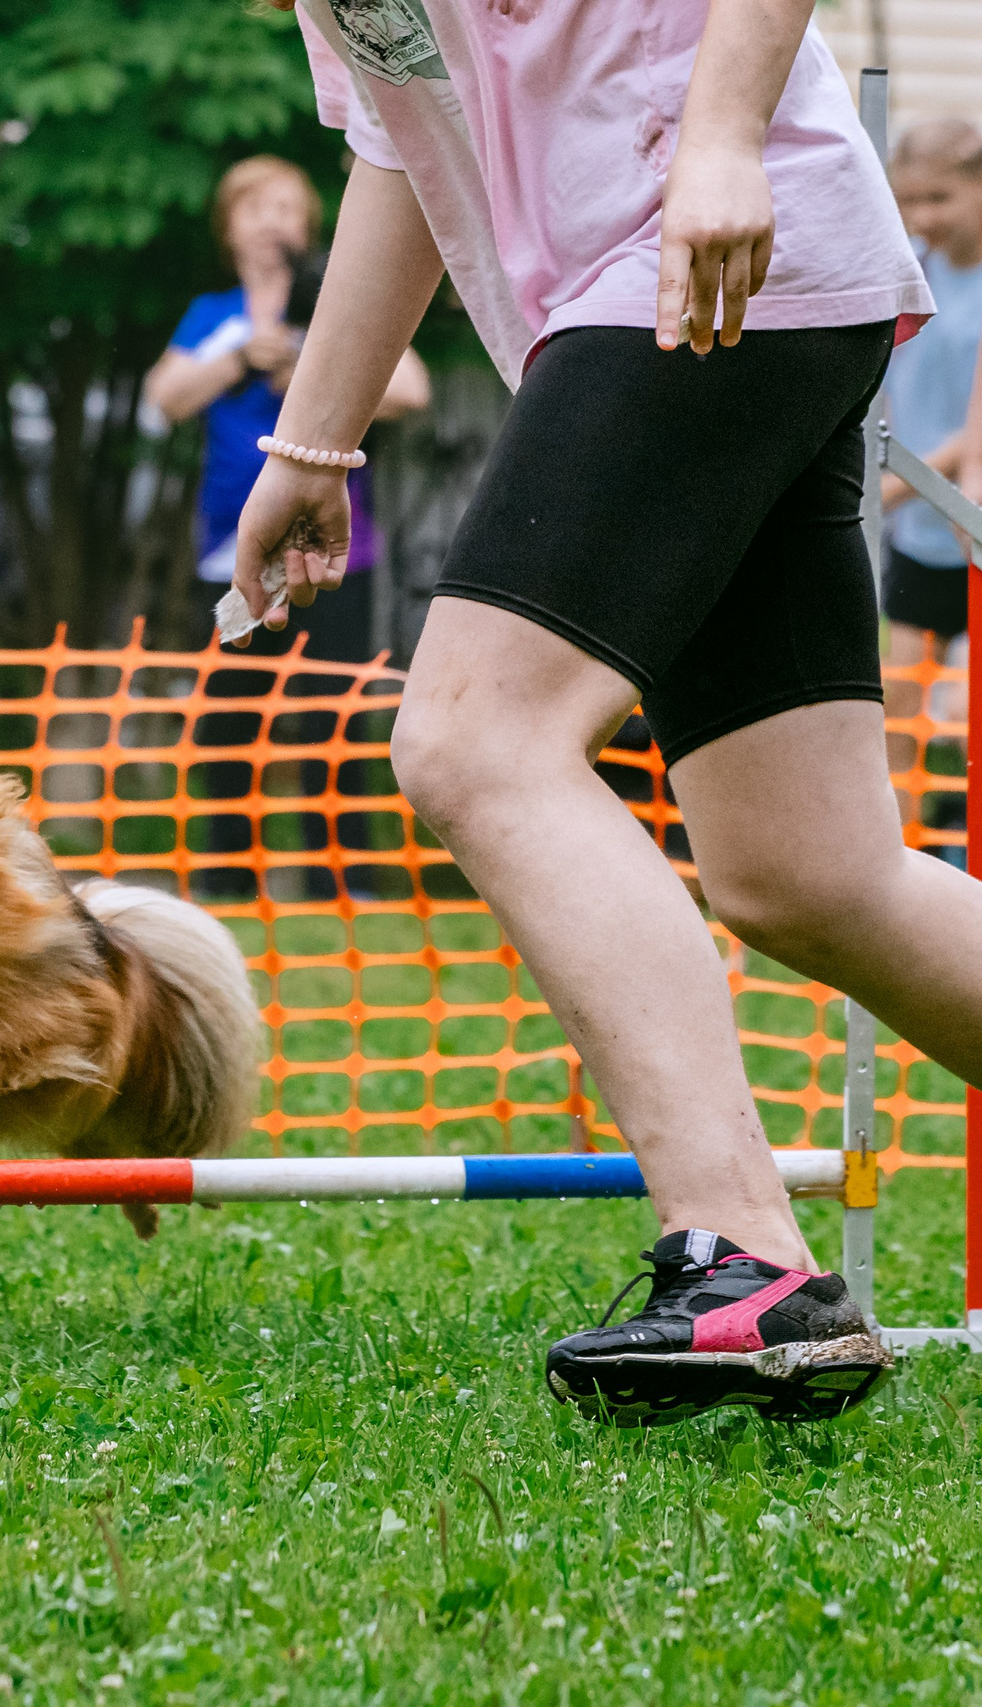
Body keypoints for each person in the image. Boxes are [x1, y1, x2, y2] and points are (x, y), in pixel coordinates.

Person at [230, 0, 964, 1425]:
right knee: (807, 870)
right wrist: (313, 441)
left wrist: (722, 138)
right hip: (695, 296)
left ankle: (744, 1261)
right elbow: (401, 141)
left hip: (716, 253)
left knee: (475, 736)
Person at [143, 155, 429, 662]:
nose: (271, 220)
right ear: (226, 228)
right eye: (254, 207)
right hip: (228, 547)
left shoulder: (331, 304)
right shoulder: (214, 316)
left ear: (307, 227)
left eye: (286, 208)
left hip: (330, 546)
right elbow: (162, 400)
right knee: (230, 717)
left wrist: (308, 377)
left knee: (331, 709)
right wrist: (239, 360)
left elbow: (411, 390)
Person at [877, 120, 982, 658]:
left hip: (969, 518)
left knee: (968, 711)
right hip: (915, 530)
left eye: (940, 198)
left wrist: (893, 488)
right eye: (908, 200)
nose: (922, 217)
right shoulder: (910, 275)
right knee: (897, 703)